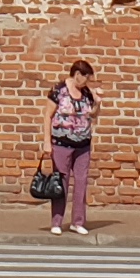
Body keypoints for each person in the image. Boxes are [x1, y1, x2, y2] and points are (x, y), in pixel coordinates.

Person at [45, 59, 98, 234]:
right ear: (77, 75)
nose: (87, 82)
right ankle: (56, 222)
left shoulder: (86, 93)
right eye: (86, 78)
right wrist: (47, 141)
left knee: (81, 182)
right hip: (61, 143)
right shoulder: (58, 91)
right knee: (61, 182)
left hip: (83, 144)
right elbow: (48, 116)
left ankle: (78, 221)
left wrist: (98, 102)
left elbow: (93, 115)